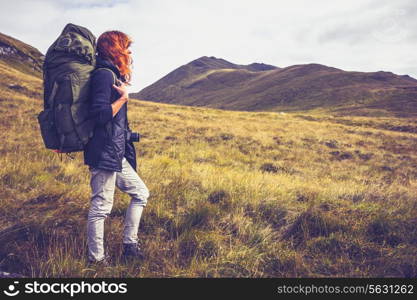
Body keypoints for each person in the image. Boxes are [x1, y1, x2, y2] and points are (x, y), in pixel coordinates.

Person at [83, 30, 150, 266]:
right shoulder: (103, 75)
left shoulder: (111, 74)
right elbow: (100, 116)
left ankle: (130, 246)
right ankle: (97, 260)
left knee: (141, 193)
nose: (129, 52)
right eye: (126, 47)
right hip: (103, 153)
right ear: (115, 48)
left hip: (115, 153)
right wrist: (122, 99)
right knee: (101, 207)